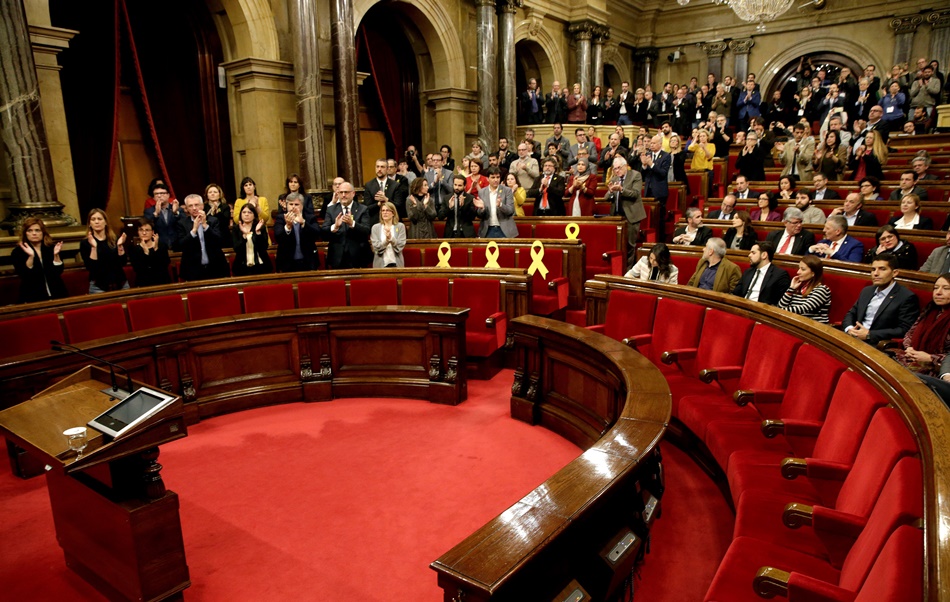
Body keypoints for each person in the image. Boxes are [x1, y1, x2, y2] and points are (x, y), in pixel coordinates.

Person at [842, 253, 920, 345]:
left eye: (882, 269)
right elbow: (851, 313)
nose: (875, 273)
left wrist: (869, 334)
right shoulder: (867, 291)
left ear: (895, 273)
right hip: (854, 338)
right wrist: (849, 328)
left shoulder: (906, 297)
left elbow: (904, 330)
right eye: (873, 269)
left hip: (877, 344)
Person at [895, 274, 950, 377]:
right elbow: (910, 334)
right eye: (936, 288)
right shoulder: (930, 310)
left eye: (946, 288)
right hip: (912, 360)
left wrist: (930, 358)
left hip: (938, 370)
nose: (938, 292)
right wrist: (910, 349)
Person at [11, 217, 67, 303]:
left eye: (37, 230)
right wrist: (31, 257)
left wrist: (56, 255)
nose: (34, 233)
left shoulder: (51, 247)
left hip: (57, 293)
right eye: (30, 230)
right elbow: (25, 275)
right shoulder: (18, 252)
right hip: (32, 296)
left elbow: (58, 272)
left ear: (43, 232)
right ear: (25, 233)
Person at [178, 194, 230, 281]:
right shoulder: (182, 223)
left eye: (197, 205)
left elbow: (219, 241)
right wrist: (194, 230)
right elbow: (181, 245)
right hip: (193, 270)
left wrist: (205, 225)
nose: (194, 208)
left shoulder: (213, 221)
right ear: (186, 209)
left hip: (215, 267)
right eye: (190, 206)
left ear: (202, 206)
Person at [322, 181, 371, 269]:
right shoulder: (331, 210)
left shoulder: (362, 209)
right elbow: (324, 232)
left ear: (353, 193)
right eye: (341, 192)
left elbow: (366, 230)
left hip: (358, 256)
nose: (343, 195)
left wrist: (353, 224)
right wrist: (335, 227)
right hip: (337, 256)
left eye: (346, 192)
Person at [607, 157, 645, 265]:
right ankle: (619, 268)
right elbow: (606, 197)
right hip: (617, 217)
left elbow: (635, 194)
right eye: (614, 169)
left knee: (629, 245)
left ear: (625, 166)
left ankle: (628, 271)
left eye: (618, 168)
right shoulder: (614, 179)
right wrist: (610, 192)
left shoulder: (635, 175)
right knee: (617, 245)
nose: (617, 171)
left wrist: (621, 190)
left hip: (631, 216)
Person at [80, 208, 128, 293]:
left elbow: (123, 262)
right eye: (93, 219)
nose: (97, 222)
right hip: (98, 287)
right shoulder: (85, 243)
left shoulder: (115, 239)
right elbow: (91, 267)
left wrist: (120, 246)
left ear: (105, 222)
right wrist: (94, 247)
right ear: (89, 224)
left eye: (99, 219)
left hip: (121, 283)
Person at [778, 255, 832, 323]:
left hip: (813, 328)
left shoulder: (822, 290)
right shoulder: (798, 288)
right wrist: (791, 288)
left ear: (813, 273)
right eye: (799, 268)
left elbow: (804, 309)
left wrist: (780, 311)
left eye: (803, 269)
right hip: (794, 324)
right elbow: (780, 306)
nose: (798, 272)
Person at [274, 193, 319, 272]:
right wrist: (288, 226)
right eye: (291, 204)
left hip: (308, 262)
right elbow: (278, 238)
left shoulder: (310, 217)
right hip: (287, 263)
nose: (293, 207)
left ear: (302, 205)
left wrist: (303, 223)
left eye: (296, 204)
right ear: (287, 205)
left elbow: (317, 234)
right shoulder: (280, 218)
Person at [231, 203, 272, 276]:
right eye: (244, 212)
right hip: (242, 266)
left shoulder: (260, 227)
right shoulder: (236, 229)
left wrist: (258, 232)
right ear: (240, 214)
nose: (246, 214)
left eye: (249, 212)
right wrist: (244, 236)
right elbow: (237, 249)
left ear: (254, 215)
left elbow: (264, 247)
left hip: (261, 265)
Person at [128, 219, 171, 287]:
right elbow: (139, 270)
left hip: (162, 283)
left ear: (152, 232)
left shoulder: (162, 246)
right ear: (138, 232)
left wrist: (156, 249)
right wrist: (146, 253)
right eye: (141, 230)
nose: (144, 233)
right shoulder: (134, 250)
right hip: (144, 285)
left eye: (147, 230)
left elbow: (163, 267)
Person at [475, 167, 517, 238]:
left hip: (504, 230)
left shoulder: (507, 191)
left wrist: (500, 205)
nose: (496, 180)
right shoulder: (482, 192)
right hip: (488, 230)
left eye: (498, 177)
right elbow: (480, 215)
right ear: (487, 179)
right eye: (493, 177)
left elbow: (511, 211)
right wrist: (482, 208)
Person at [370, 201, 407, 268]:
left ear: (393, 213)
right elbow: (376, 248)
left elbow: (400, 246)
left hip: (397, 264)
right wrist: (387, 241)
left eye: (387, 210)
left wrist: (391, 239)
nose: (385, 212)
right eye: (383, 210)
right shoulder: (375, 228)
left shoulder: (400, 226)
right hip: (380, 265)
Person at [143, 183, 180, 251]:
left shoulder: (178, 209)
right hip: (159, 246)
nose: (159, 196)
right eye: (156, 194)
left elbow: (183, 225)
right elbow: (147, 228)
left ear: (168, 195)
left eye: (162, 193)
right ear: (153, 197)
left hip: (177, 245)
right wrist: (156, 214)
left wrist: (175, 213)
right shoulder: (149, 211)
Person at [364, 159, 401, 224]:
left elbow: (399, 206)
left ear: (387, 169)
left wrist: (386, 200)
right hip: (375, 223)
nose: (379, 169)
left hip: (392, 222)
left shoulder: (395, 185)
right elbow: (366, 208)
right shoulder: (368, 185)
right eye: (377, 167)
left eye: (382, 167)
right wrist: (378, 204)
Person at [204, 183, 232, 248]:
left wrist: (217, 212)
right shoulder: (203, 207)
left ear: (219, 195)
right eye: (210, 192)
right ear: (207, 195)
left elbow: (225, 222)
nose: (212, 194)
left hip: (223, 236)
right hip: (208, 236)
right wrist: (211, 212)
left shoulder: (225, 207)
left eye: (215, 192)